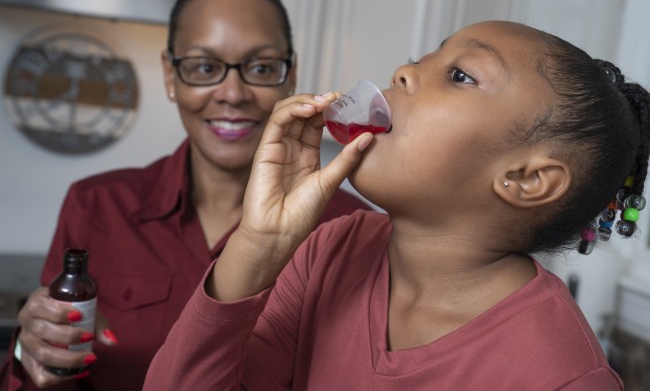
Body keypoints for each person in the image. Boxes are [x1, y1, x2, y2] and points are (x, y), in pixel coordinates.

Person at [143, 20, 650, 390]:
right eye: (423, 56)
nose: (404, 71)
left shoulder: (560, 375)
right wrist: (258, 245)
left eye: (461, 76)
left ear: (528, 178)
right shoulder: (330, 249)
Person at [0, 0, 371, 391]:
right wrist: (30, 352)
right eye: (205, 67)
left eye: (262, 67)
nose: (233, 93)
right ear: (169, 76)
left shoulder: (356, 231)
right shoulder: (97, 205)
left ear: (291, 75)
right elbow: (45, 371)